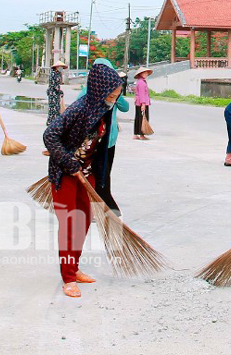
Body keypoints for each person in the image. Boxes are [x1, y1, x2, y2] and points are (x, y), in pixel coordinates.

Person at [43, 63, 124, 298]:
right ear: (99, 91)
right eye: (110, 95)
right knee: (70, 225)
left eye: (117, 95)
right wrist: (69, 164)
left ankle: (74, 268)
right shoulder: (79, 109)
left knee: (84, 221)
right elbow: (50, 135)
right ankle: (68, 278)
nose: (113, 100)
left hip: (85, 174)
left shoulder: (103, 110)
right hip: (66, 174)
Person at [75, 58, 128, 215]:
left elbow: (125, 108)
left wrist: (116, 96)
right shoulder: (89, 91)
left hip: (106, 140)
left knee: (100, 173)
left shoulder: (108, 90)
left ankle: (104, 207)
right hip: (96, 140)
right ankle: (103, 207)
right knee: (99, 173)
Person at [133, 67, 153, 140]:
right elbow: (142, 94)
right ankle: (141, 134)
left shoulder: (140, 81)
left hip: (139, 102)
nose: (146, 74)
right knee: (143, 118)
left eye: (146, 73)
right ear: (140, 74)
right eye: (144, 73)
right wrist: (143, 104)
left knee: (138, 117)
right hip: (142, 102)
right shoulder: (141, 83)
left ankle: (136, 134)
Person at [47, 61, 67, 125]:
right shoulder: (53, 74)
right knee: (53, 107)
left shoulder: (58, 74)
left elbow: (59, 83)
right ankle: (50, 121)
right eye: (60, 67)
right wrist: (59, 91)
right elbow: (53, 84)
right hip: (53, 92)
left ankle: (56, 121)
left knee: (57, 107)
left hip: (56, 93)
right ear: (56, 67)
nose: (61, 68)